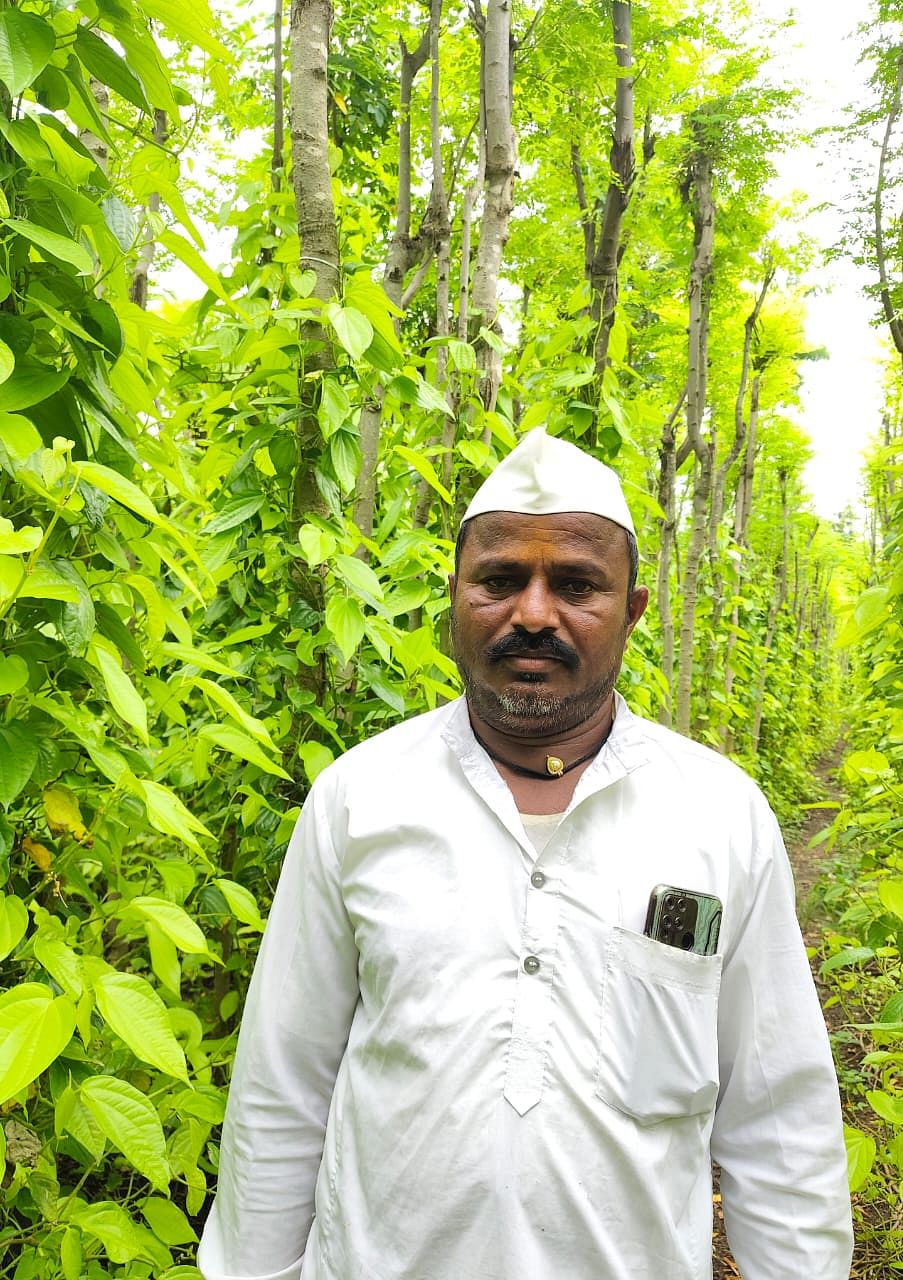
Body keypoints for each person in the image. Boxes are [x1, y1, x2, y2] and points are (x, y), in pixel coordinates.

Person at [198, 428, 854, 1280]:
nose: (534, 614)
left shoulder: (718, 812)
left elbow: (777, 1112)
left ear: (634, 610)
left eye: (577, 584)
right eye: (500, 580)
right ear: (453, 597)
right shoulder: (361, 799)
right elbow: (282, 1083)